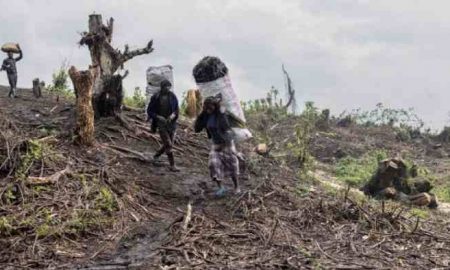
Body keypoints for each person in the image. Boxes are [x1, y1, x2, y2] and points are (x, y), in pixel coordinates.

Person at [194, 95, 241, 196]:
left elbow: (227, 129)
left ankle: (236, 187)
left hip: (227, 144)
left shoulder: (221, 115)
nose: (208, 109)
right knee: (213, 164)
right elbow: (197, 128)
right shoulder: (206, 116)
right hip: (215, 144)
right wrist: (202, 114)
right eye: (206, 107)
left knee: (232, 165)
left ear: (215, 106)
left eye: (210, 107)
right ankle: (221, 187)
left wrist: (224, 144)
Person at [147, 80, 180, 172]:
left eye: (169, 87)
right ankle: (172, 165)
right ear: (162, 87)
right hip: (161, 124)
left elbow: (177, 110)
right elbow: (149, 111)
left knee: (169, 144)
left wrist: (172, 116)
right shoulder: (156, 97)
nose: (167, 88)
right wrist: (158, 117)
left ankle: (156, 156)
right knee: (168, 144)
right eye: (166, 87)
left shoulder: (173, 96)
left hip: (171, 124)